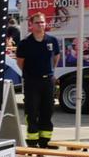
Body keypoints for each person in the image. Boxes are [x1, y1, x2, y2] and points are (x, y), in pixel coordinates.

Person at [16, 13, 62, 147]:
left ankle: (44, 142)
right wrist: (31, 73)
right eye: (37, 22)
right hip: (32, 82)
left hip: (48, 81)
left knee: (47, 111)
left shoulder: (52, 40)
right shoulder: (25, 43)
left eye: (42, 22)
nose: (40, 25)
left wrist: (50, 71)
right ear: (31, 25)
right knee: (32, 111)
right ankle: (32, 142)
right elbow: (20, 62)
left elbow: (56, 57)